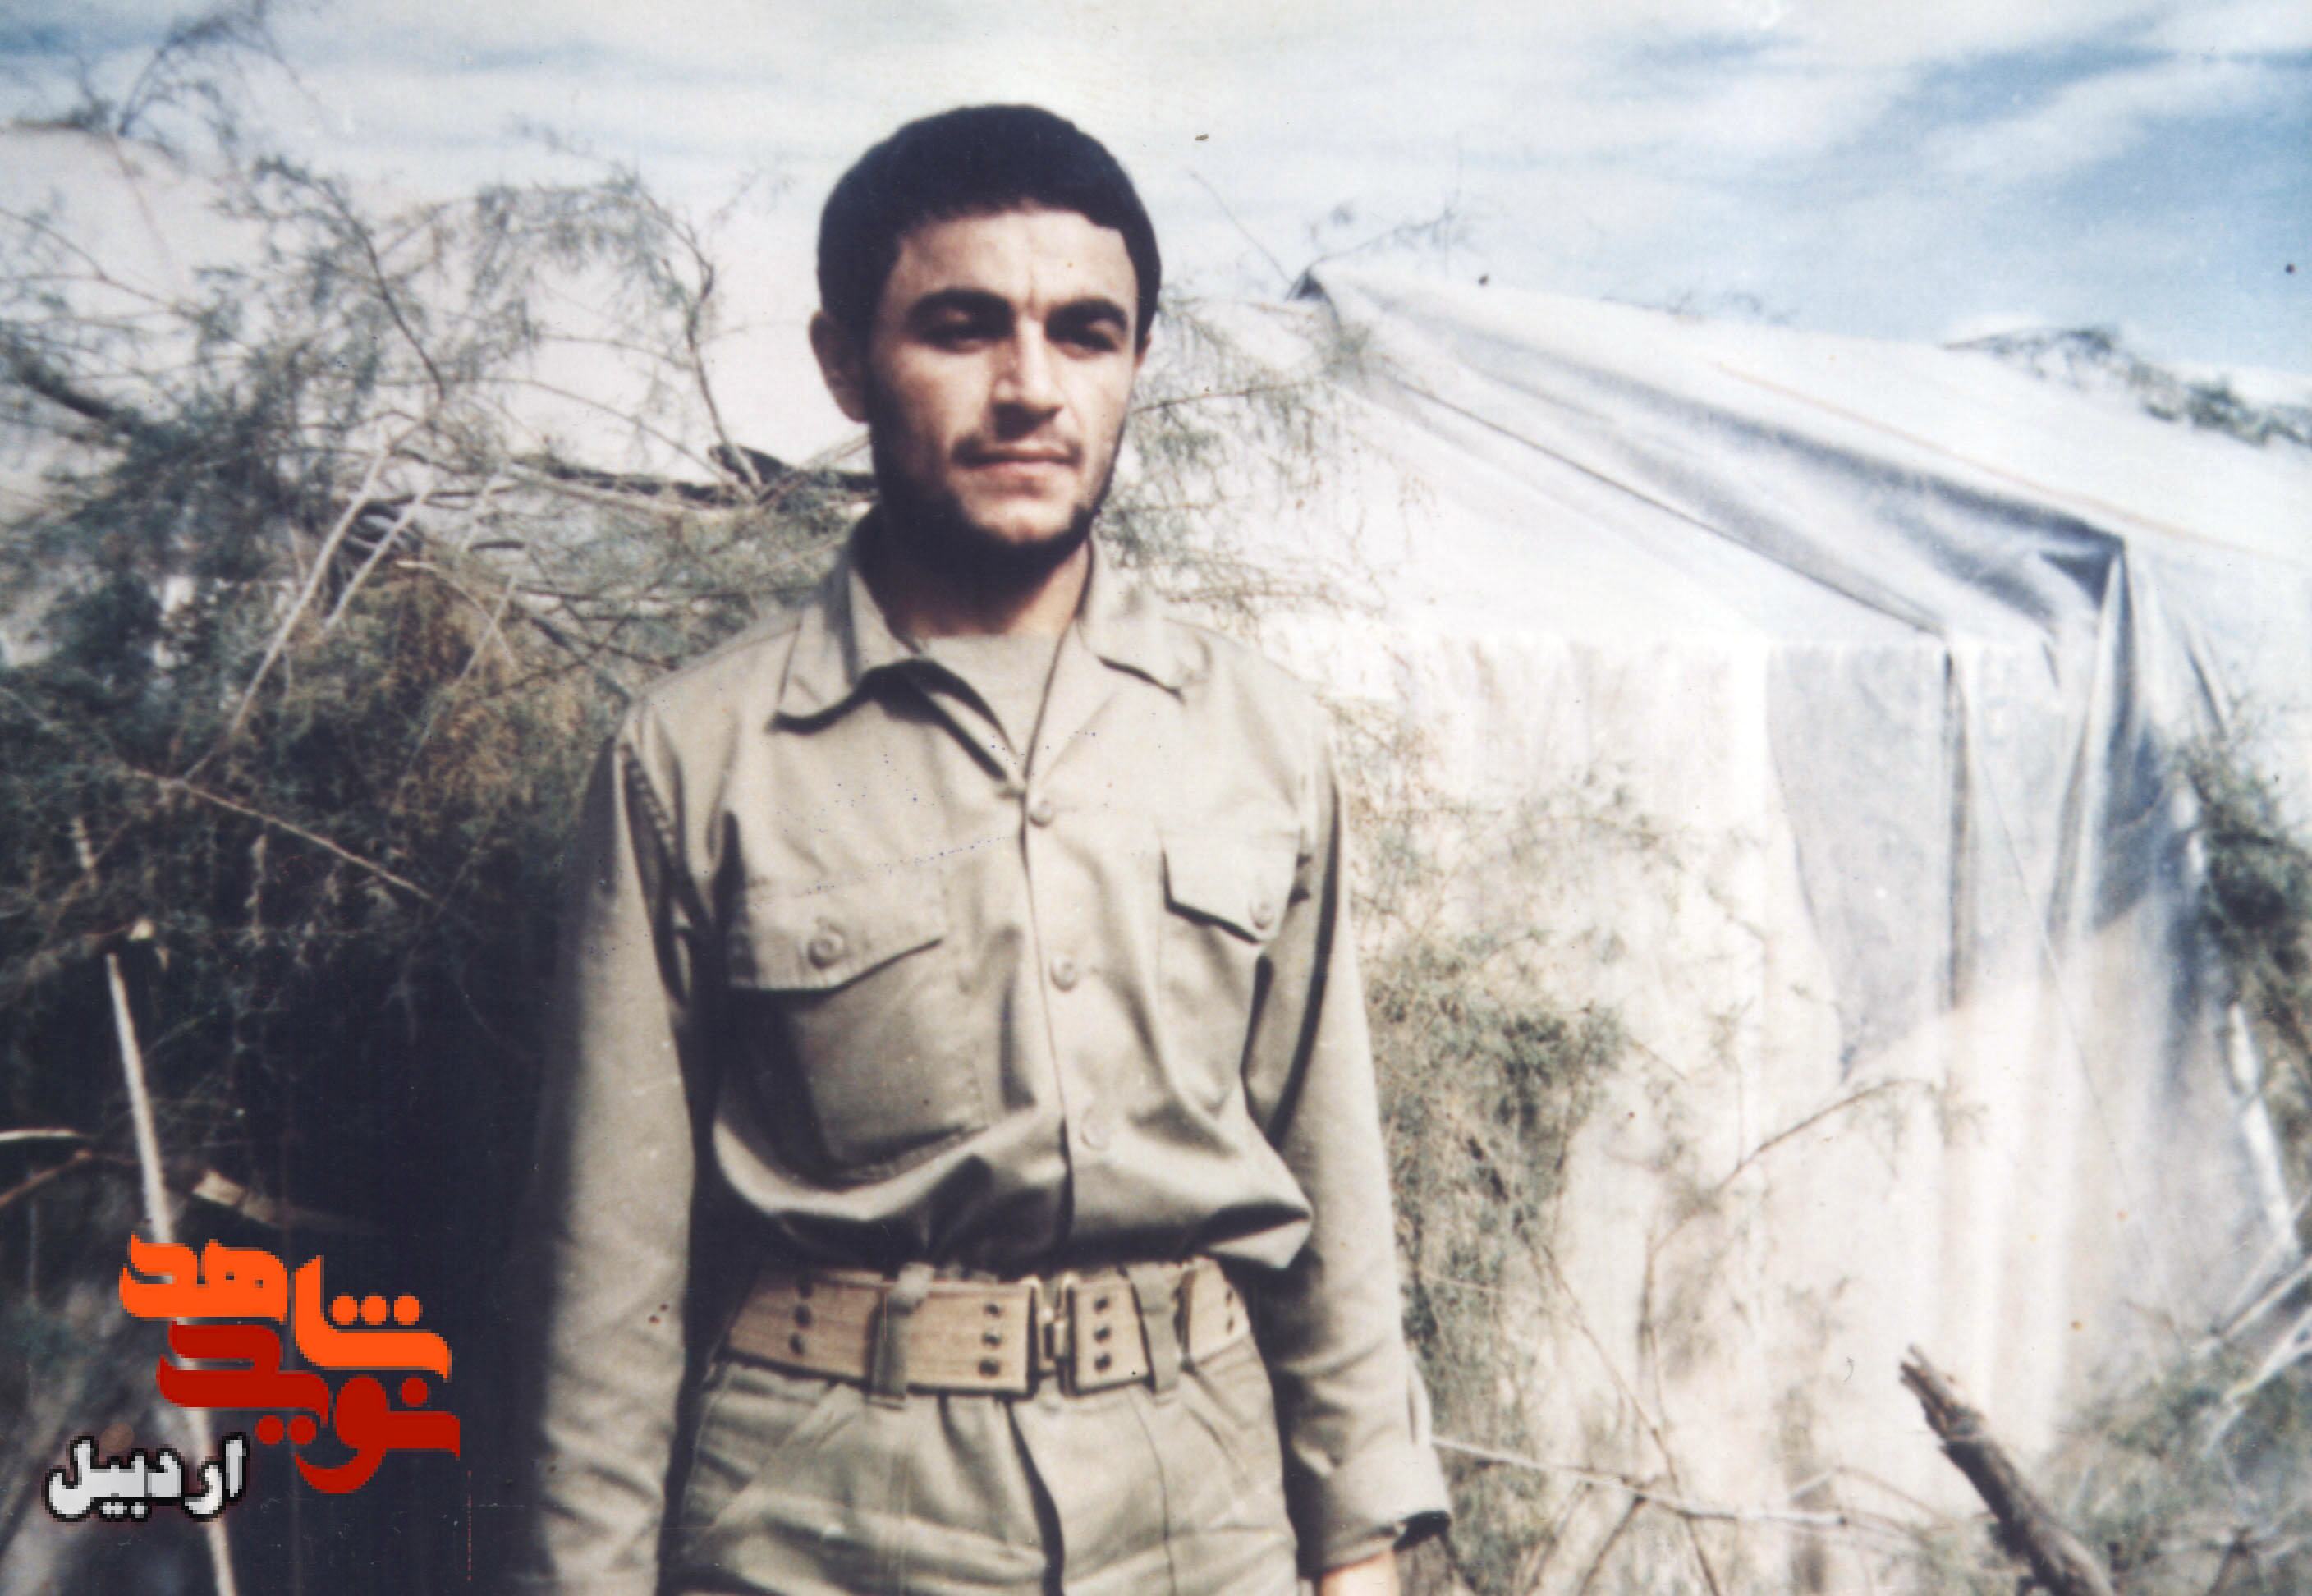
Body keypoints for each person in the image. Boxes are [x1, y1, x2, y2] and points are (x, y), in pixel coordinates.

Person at [504, 104, 1450, 1595]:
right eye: (962, 328)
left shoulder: (1260, 737)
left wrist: (1361, 1551)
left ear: (1136, 363)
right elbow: (605, 1281)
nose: (1031, 389)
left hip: (1202, 1525)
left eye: (1085, 333)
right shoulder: (696, 759)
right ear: (843, 364)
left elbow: (1331, 1189)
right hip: (828, 1525)